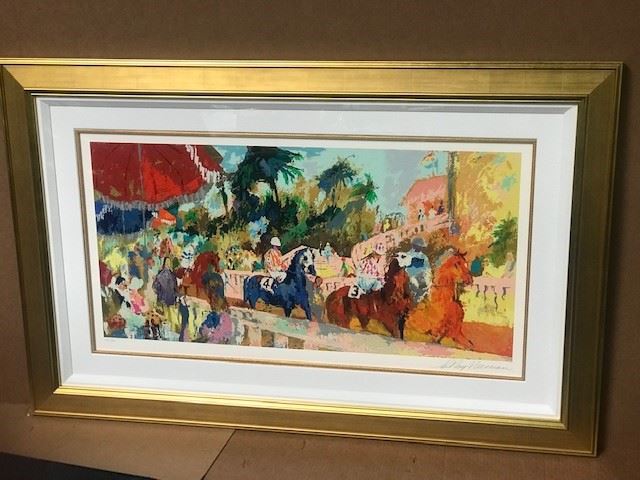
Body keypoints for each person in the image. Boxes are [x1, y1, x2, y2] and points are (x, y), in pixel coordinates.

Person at [406, 237, 433, 302]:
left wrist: (426, 276)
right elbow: (406, 269)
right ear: (414, 246)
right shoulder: (407, 256)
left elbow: (427, 269)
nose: (421, 248)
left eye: (421, 247)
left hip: (422, 278)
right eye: (420, 246)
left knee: (428, 286)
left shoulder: (423, 257)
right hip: (410, 278)